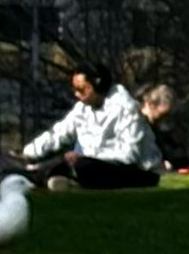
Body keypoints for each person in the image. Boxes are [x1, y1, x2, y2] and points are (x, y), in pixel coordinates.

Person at [22, 67, 166, 190]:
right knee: (62, 163)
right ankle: (45, 178)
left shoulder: (127, 109)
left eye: (81, 89)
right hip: (96, 164)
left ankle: (68, 181)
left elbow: (129, 156)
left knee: (83, 166)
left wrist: (87, 156)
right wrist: (29, 152)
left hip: (140, 171)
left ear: (97, 86)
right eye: (74, 89)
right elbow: (59, 133)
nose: (76, 94)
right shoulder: (82, 108)